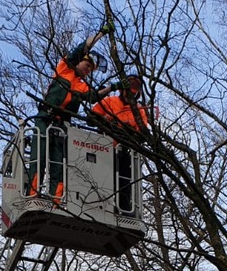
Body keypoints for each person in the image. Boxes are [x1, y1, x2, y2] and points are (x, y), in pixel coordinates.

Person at [28, 23, 117, 201]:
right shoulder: (65, 69)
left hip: (61, 126)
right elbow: (82, 47)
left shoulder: (81, 86)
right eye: (87, 64)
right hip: (45, 119)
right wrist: (101, 34)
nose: (88, 69)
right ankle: (32, 195)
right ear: (80, 61)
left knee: (58, 165)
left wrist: (112, 87)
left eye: (91, 69)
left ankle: (56, 201)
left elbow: (93, 96)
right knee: (40, 157)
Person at [90, 73, 148, 214]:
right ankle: (100, 206)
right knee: (103, 180)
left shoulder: (139, 111)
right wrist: (106, 120)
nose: (130, 96)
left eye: (133, 93)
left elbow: (143, 134)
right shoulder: (110, 101)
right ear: (122, 90)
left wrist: (129, 130)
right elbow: (91, 117)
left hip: (123, 151)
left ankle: (124, 209)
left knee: (124, 182)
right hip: (104, 148)